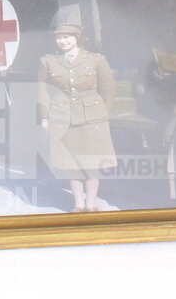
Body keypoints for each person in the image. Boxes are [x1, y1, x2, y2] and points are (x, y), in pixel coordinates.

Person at [37, 23, 117, 212]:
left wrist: (103, 114)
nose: (62, 41)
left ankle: (91, 204)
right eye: (59, 38)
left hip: (92, 119)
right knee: (70, 163)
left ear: (76, 38)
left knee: (92, 163)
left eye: (67, 37)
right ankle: (78, 205)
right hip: (62, 118)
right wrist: (45, 118)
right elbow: (42, 91)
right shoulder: (48, 61)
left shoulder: (96, 60)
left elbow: (108, 90)